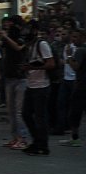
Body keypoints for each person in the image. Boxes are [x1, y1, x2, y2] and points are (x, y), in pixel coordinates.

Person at [0, 17, 30, 149]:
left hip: (21, 78)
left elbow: (19, 48)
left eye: (10, 24)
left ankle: (23, 138)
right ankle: (15, 137)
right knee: (11, 111)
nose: (7, 27)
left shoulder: (23, 36)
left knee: (19, 111)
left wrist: (6, 37)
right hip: (9, 77)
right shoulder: (6, 38)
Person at [20, 19, 55, 156]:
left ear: (34, 30)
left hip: (41, 86)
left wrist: (33, 67)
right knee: (26, 114)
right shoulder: (30, 45)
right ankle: (37, 141)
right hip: (31, 85)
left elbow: (51, 64)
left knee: (40, 117)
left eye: (28, 29)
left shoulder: (42, 44)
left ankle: (43, 146)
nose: (25, 32)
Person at [60, 28, 85, 146]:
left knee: (75, 112)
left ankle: (75, 138)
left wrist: (69, 56)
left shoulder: (80, 50)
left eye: (75, 37)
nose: (73, 39)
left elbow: (75, 67)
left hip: (81, 86)